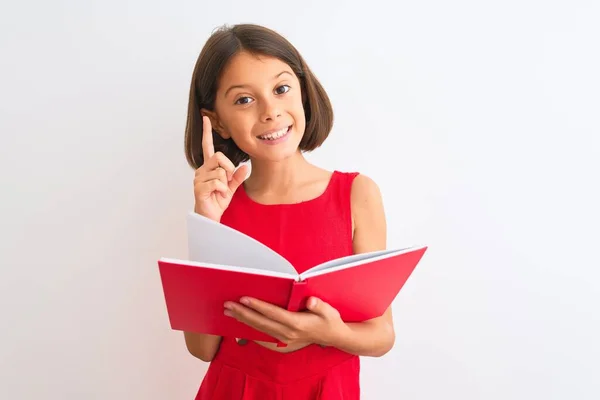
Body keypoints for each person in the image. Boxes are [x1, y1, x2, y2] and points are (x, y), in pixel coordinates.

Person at [182, 23, 394, 399]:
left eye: (281, 89)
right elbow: (202, 349)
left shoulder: (356, 194)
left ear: (302, 92)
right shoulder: (219, 207)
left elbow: (382, 335)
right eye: (244, 100)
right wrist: (206, 223)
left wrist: (322, 332)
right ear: (217, 122)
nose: (270, 112)